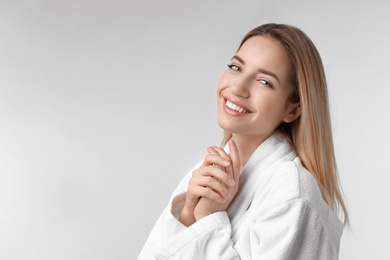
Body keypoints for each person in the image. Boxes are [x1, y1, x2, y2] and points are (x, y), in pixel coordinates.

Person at [138, 23, 348, 260]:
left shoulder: (292, 193)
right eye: (236, 67)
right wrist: (188, 214)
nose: (237, 87)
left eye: (264, 82)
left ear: (293, 110)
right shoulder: (208, 171)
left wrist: (208, 219)